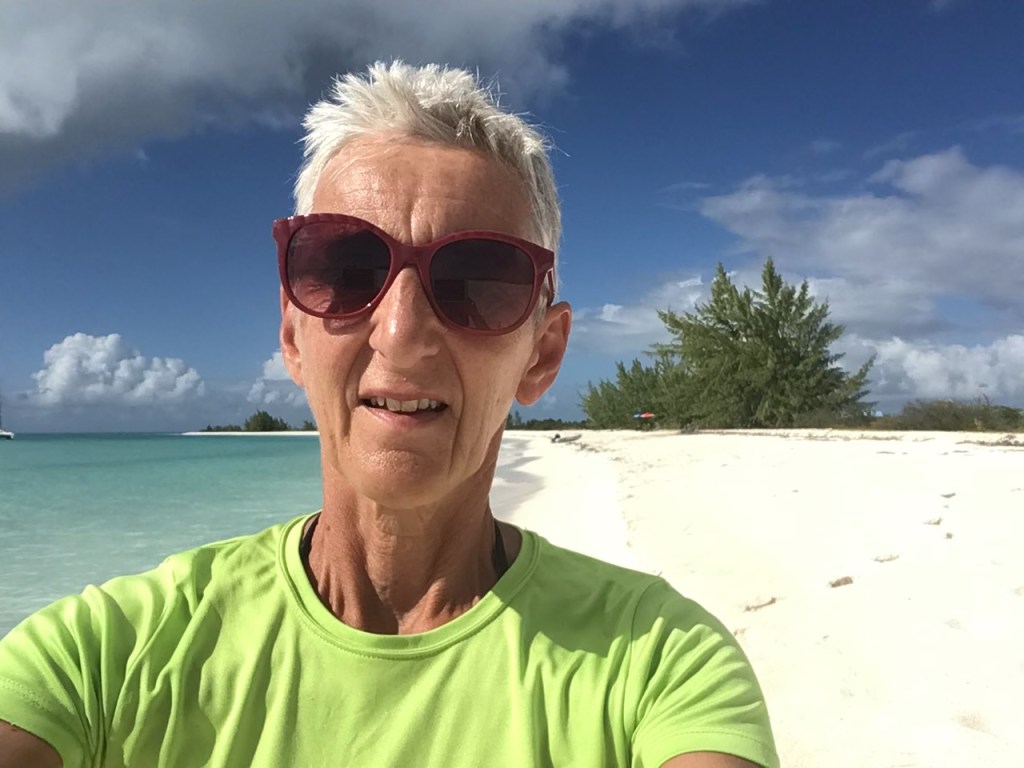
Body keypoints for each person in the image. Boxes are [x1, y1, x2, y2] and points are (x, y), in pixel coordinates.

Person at [0, 61, 779, 768]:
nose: (401, 331)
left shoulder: (660, 663)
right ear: (292, 336)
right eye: (346, 269)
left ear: (541, 355)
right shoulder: (106, 654)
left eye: (478, 279)